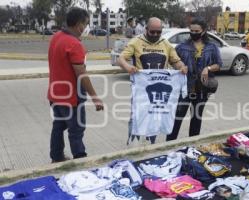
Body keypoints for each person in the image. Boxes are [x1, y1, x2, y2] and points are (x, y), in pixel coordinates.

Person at [117, 17, 188, 144]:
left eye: (158, 32)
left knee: (155, 120)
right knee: (137, 119)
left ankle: (151, 146)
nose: (155, 35)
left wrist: (182, 67)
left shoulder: (166, 44)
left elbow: (176, 61)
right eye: (152, 32)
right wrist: (128, 67)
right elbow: (121, 59)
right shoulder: (135, 42)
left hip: (159, 93)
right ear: (146, 29)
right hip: (141, 93)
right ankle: (133, 146)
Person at [47, 7, 104, 163]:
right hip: (71, 97)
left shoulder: (56, 37)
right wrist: (95, 97)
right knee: (76, 130)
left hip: (55, 93)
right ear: (79, 24)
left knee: (58, 126)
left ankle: (57, 157)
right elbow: (82, 74)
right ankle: (80, 160)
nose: (85, 28)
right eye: (85, 24)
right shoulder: (74, 44)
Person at [166, 18, 222, 141]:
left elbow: (218, 64)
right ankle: (169, 144)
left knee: (196, 117)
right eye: (191, 30)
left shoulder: (212, 47)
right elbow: (173, 62)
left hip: (202, 89)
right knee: (177, 116)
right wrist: (180, 67)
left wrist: (208, 68)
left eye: (196, 30)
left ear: (203, 31)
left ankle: (192, 144)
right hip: (184, 88)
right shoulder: (182, 47)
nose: (193, 33)